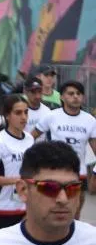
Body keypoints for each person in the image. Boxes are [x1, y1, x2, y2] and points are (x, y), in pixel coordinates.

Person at [33, 80, 96, 218]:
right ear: (62, 97)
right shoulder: (51, 116)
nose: (75, 97)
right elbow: (30, 138)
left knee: (75, 211)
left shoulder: (90, 120)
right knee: (53, 208)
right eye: (71, 93)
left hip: (79, 172)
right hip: (54, 171)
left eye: (78, 93)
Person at [0, 95, 33, 232]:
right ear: (7, 116)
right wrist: (18, 181)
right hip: (2, 210)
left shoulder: (29, 139)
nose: (24, 117)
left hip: (25, 208)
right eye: (18, 113)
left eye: (26, 112)